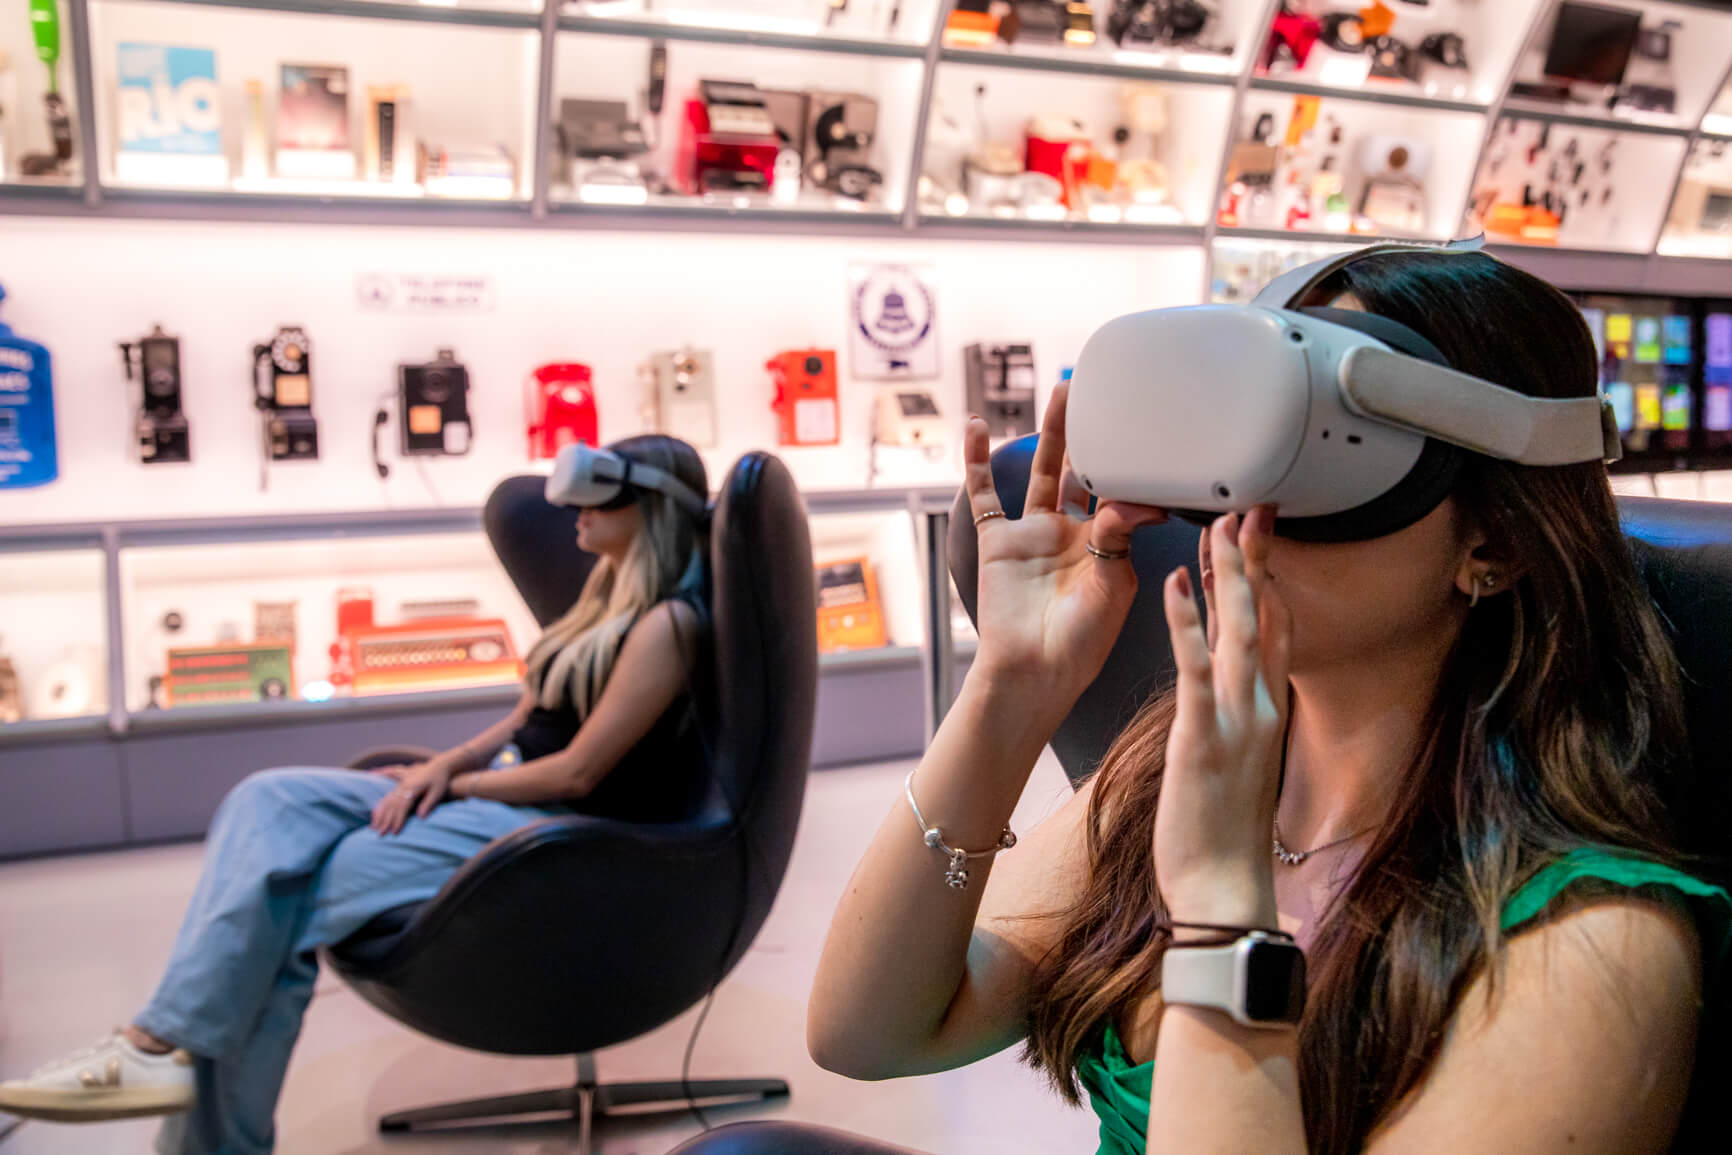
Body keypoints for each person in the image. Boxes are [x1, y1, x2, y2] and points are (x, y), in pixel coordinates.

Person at [808, 250, 1731, 1153]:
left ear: (1496, 544)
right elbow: (869, 1031)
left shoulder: (1591, 949)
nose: (1240, 510)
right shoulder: (1175, 776)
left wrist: (1220, 914)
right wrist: (1010, 691)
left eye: (1322, 452)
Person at [0, 435, 712, 1154]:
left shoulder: (668, 625)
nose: (576, 512)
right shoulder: (601, 598)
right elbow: (529, 720)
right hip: (499, 790)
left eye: (600, 496)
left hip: (554, 823)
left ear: (653, 508)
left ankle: (173, 1078)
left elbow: (577, 774)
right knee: (267, 800)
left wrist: (457, 784)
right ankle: (157, 1048)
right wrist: (445, 763)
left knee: (283, 901)